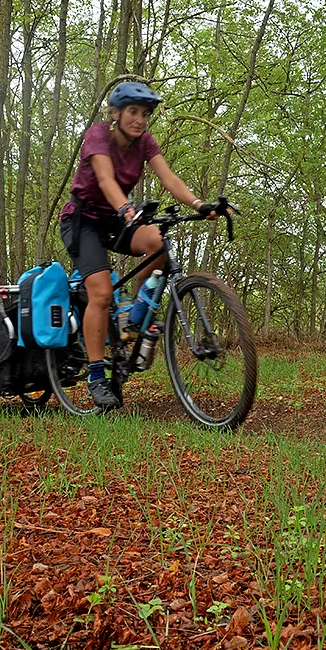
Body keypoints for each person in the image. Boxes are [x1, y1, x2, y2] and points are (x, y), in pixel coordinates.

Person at [59, 81, 215, 409]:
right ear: (116, 113)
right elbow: (105, 179)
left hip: (117, 218)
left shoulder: (144, 143)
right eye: (133, 112)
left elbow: (169, 178)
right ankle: (96, 377)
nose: (140, 119)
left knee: (158, 241)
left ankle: (134, 315)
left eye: (145, 114)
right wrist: (126, 209)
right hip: (83, 219)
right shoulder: (98, 135)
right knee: (100, 293)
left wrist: (200, 205)